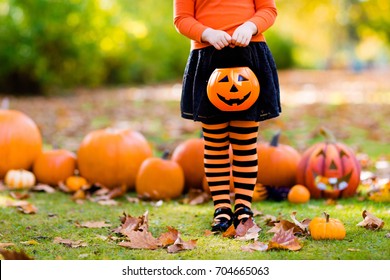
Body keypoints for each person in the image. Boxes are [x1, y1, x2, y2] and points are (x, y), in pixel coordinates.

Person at [174, 0, 281, 232]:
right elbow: (181, 19)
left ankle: (243, 207)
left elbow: (268, 10)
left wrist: (250, 27)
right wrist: (207, 33)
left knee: (245, 143)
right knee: (214, 143)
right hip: (208, 57)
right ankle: (221, 207)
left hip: (248, 57)